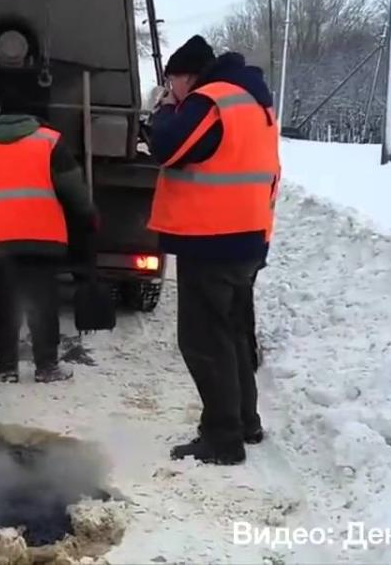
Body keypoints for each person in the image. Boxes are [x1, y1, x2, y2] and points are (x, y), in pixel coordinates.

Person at [148, 35, 281, 465]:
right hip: (247, 236)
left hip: (212, 240)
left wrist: (166, 108)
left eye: (174, 82)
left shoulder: (213, 101)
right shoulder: (253, 100)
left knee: (204, 340)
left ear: (188, 74)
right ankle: (245, 421)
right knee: (235, 333)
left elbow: (168, 148)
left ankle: (222, 439)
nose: (173, 90)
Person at [0, 74, 95, 384]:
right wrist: (87, 220)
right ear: (32, 114)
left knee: (3, 303)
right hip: (41, 239)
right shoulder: (49, 141)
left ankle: (7, 368)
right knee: (42, 301)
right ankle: (46, 366)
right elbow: (74, 191)